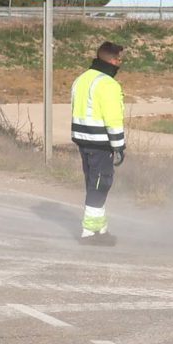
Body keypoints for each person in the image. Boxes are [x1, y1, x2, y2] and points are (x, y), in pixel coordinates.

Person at [68, 39, 128, 241]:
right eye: (118, 59)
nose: (119, 63)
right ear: (112, 60)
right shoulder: (108, 84)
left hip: (83, 139)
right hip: (100, 142)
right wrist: (119, 145)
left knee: (94, 182)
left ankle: (100, 228)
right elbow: (113, 118)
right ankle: (89, 231)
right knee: (101, 184)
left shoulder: (82, 79)